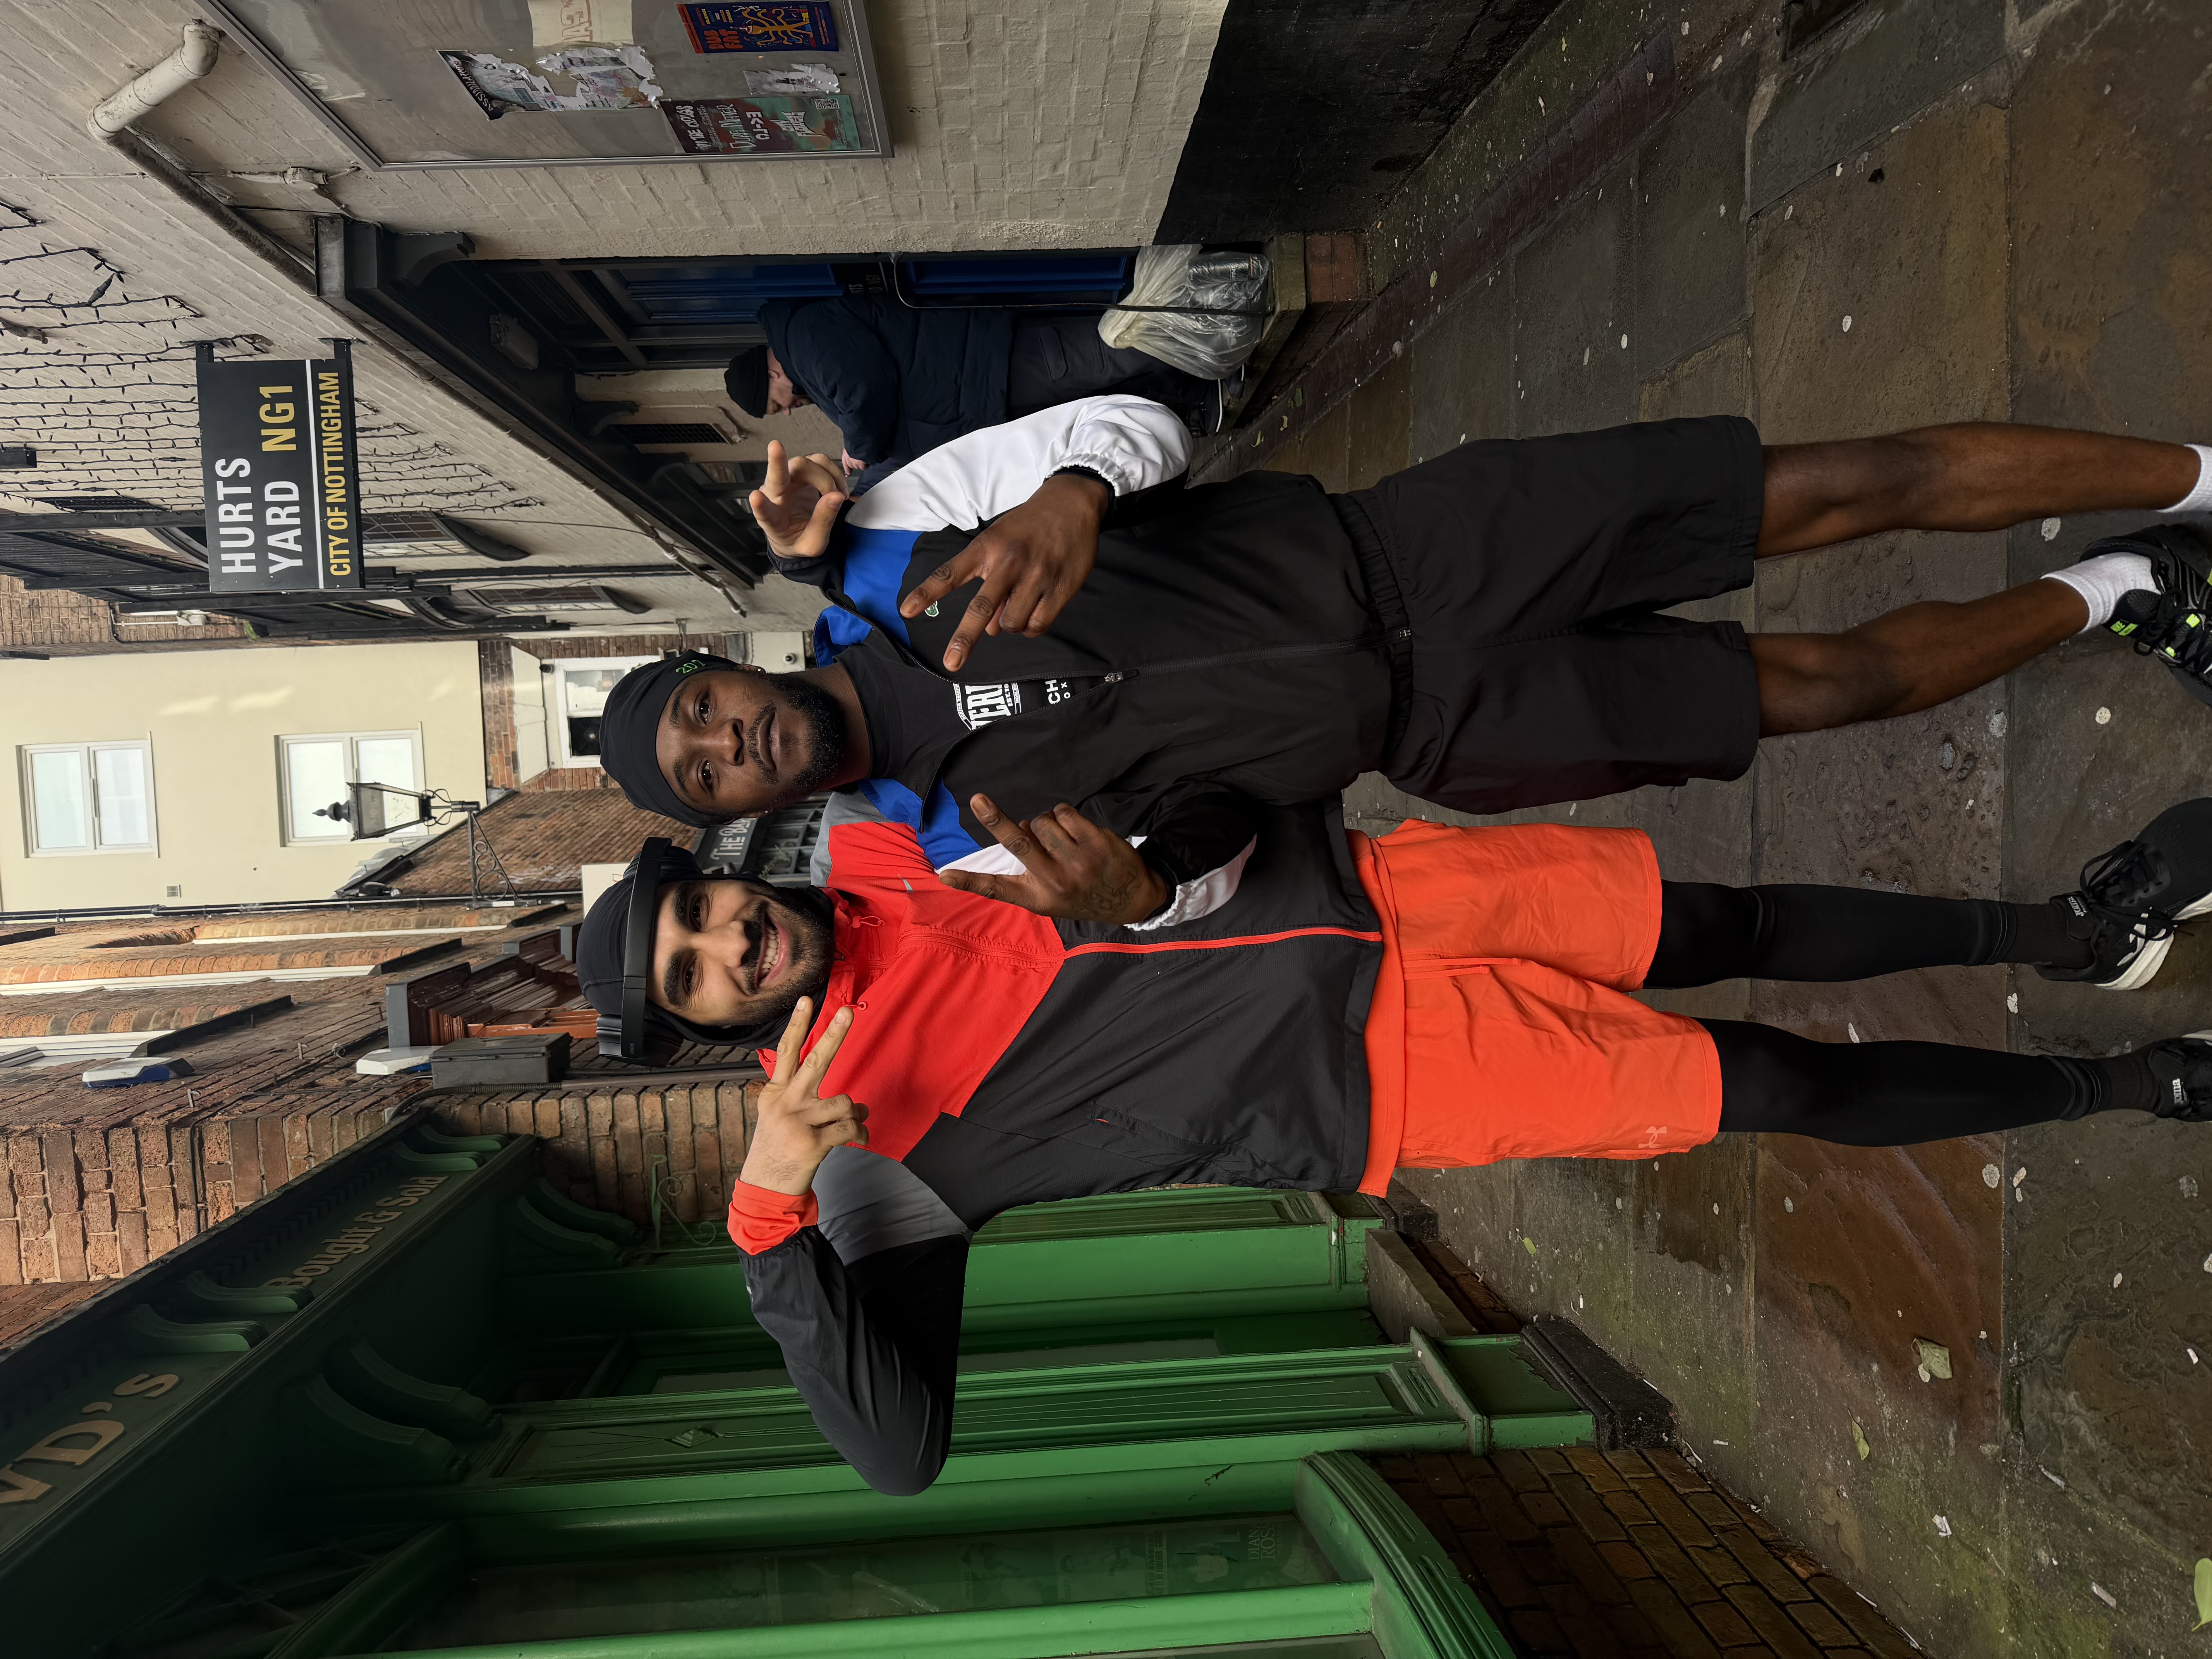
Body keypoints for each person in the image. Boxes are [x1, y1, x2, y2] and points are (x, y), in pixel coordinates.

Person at [576, 791, 2212, 1495]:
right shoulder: (857, 1159)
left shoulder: (890, 829)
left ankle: (2067, 926)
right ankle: (2131, 1087)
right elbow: (895, 1449)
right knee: (1770, 1081)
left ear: (726, 873)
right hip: (1394, 1073)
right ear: (707, 1023)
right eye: (695, 975)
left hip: (1380, 891)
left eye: (703, 909)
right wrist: (766, 1232)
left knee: (1730, 911)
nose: (728, 945)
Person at [595, 396, 2212, 928]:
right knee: (1827, 690)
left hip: (1423, 544)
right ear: (738, 811)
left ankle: (2193, 476)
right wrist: (1142, 905)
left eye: (709, 715)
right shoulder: (955, 855)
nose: (733, 746)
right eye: (708, 775)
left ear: (719, 670)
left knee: (1844, 485)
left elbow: (1155, 416)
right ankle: (2126, 587)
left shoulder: (889, 546)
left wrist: (1079, 491)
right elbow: (1222, 867)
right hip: (1446, 725)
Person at [725, 296, 1221, 486]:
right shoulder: (808, 358)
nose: (787, 412)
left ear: (772, 376)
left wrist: (858, 445)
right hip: (983, 390)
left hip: (989, 365)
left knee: (1105, 357)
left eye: (776, 405)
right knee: (1100, 381)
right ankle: (1200, 379)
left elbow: (863, 388)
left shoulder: (805, 336)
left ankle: (1216, 330)